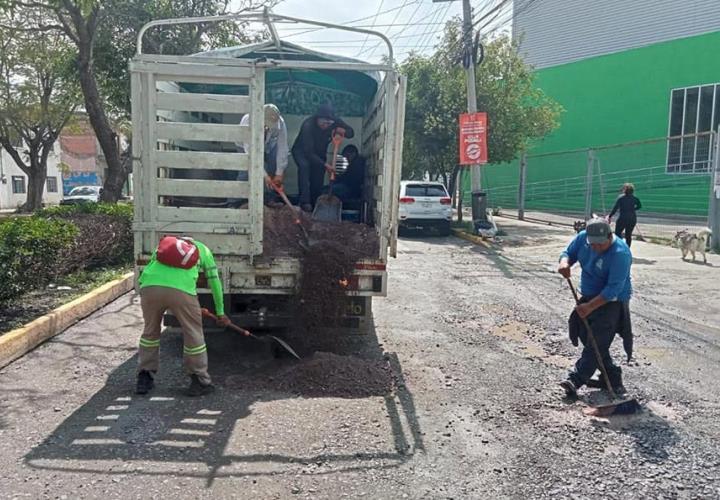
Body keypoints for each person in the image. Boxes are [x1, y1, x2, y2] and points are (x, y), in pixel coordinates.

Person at [136, 236, 230, 397]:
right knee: (193, 334)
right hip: (181, 292)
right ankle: (199, 381)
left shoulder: (164, 246)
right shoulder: (204, 250)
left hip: (149, 288)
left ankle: (144, 377)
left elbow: (149, 270)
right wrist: (220, 313)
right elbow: (214, 282)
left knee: (150, 332)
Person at [557, 218, 633, 399]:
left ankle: (575, 380)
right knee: (586, 335)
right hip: (589, 295)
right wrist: (564, 263)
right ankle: (613, 379)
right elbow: (567, 253)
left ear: (610, 236)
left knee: (597, 342)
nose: (595, 248)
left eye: (600, 245)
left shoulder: (620, 253)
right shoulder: (584, 238)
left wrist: (590, 307)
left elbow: (613, 289)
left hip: (612, 302)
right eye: (592, 244)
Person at [291, 103, 355, 212]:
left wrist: (342, 131)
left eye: (329, 123)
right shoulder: (308, 125)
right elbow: (309, 153)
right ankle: (304, 202)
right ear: (317, 119)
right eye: (323, 122)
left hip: (320, 153)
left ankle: (315, 203)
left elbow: (351, 133)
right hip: (302, 152)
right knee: (305, 168)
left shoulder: (335, 122)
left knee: (318, 177)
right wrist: (326, 165)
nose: (326, 125)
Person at [231, 103, 289, 205]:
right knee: (246, 170)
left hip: (268, 145)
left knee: (273, 167)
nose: (269, 127)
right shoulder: (247, 121)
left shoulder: (280, 123)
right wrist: (265, 176)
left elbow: (283, 147)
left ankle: (270, 199)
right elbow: (252, 154)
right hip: (245, 146)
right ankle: (234, 202)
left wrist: (279, 174)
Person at [609, 183, 641, 247]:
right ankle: (627, 249)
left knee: (618, 233)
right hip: (632, 218)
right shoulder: (635, 198)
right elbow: (639, 206)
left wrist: (610, 216)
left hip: (623, 218)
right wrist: (633, 209)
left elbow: (615, 208)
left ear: (624, 190)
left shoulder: (621, 198)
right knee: (628, 235)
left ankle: (619, 247)